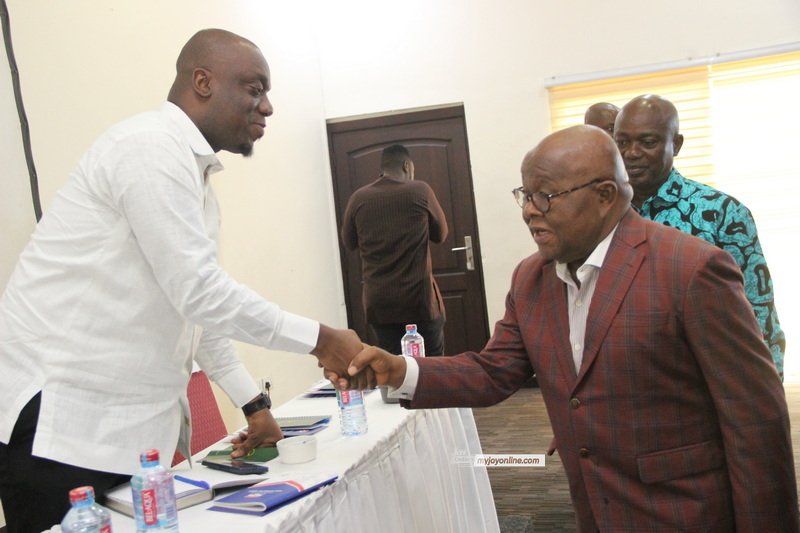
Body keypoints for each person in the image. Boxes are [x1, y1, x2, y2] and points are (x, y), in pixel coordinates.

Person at [339, 125, 798, 532]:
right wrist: (398, 370)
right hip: (594, 507)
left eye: (546, 196)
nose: (530, 211)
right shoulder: (531, 279)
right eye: (524, 195)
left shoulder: (692, 270)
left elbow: (755, 420)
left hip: (682, 512)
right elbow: (494, 370)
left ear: (604, 196)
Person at [0, 29, 360, 532]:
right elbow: (200, 292)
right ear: (203, 81)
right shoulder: (149, 146)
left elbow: (196, 310)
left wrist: (253, 407)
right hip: (60, 425)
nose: (268, 107)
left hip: (114, 434)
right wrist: (322, 340)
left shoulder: (193, 176)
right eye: (255, 89)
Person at [614, 94, 786, 378]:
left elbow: (759, 313)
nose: (631, 153)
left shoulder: (723, 213)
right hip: (629, 387)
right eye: (622, 142)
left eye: (648, 142)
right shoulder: (601, 218)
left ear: (676, 144)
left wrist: (766, 396)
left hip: (707, 381)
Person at [341, 144, 448, 355]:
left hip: (380, 304)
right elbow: (441, 235)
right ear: (407, 166)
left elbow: (349, 242)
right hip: (420, 301)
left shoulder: (358, 198)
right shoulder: (420, 191)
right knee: (433, 368)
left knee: (391, 369)